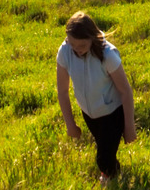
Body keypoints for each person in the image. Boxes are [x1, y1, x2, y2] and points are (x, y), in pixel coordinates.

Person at [56, 12, 137, 183]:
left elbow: (125, 91)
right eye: (73, 45)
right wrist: (70, 124)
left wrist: (129, 126)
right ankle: (116, 174)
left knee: (103, 159)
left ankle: (109, 178)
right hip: (89, 114)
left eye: (82, 45)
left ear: (92, 38)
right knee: (105, 150)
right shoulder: (65, 52)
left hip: (113, 112)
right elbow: (62, 91)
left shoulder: (107, 55)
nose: (77, 50)